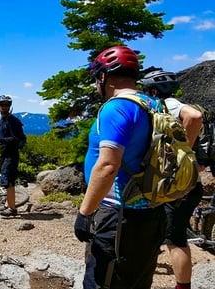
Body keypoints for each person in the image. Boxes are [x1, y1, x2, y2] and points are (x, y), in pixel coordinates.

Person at [75, 45, 166, 289]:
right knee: (136, 280)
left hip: (119, 214)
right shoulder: (153, 104)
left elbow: (107, 165)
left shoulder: (117, 107)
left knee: (101, 280)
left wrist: (84, 213)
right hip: (151, 210)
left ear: (104, 76)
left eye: (97, 78)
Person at [140, 68, 203, 289]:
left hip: (178, 184)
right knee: (165, 230)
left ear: (154, 90)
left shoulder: (170, 104)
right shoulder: (166, 106)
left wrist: (183, 149)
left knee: (174, 237)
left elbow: (195, 117)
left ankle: (182, 286)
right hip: (185, 182)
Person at [0, 95, 26, 217]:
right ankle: (8, 205)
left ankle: (12, 209)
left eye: (7, 105)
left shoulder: (12, 121)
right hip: (4, 154)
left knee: (9, 181)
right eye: (2, 104)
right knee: (7, 179)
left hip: (11, 154)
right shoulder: (3, 120)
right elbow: (3, 138)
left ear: (10, 106)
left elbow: (15, 139)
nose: (4, 107)